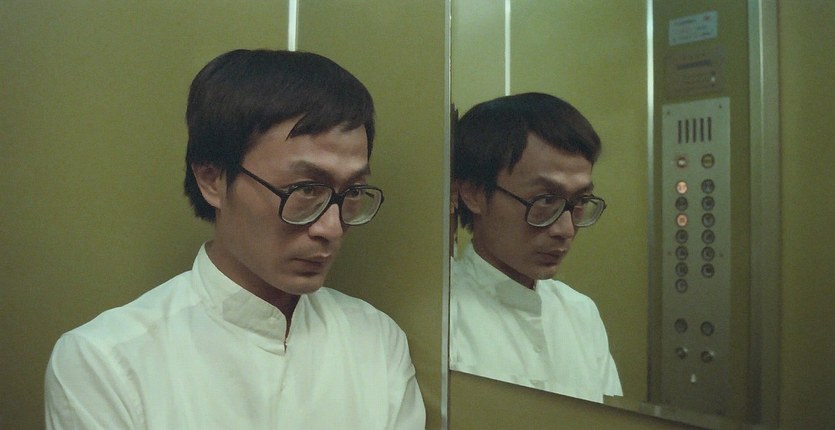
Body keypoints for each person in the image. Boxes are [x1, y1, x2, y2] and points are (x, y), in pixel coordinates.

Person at [45, 49, 426, 429]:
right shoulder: (106, 362)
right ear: (212, 179)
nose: (331, 228)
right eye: (305, 189)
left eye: (353, 192)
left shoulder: (375, 339)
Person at [449, 92, 622, 403]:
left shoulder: (580, 313)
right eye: (544, 201)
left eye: (580, 202)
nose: (565, 230)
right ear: (473, 194)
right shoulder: (443, 314)